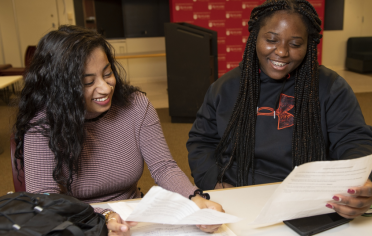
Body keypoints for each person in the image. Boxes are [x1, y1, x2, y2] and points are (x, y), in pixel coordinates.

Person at [13, 25, 223, 235]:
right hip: (74, 223)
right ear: (61, 88)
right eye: (88, 82)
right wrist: (101, 216)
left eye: (107, 73)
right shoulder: (42, 123)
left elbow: (164, 167)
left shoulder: (136, 106)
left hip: (132, 220)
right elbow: (45, 197)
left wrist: (194, 199)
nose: (105, 88)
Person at [187, 0, 372, 219]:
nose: (281, 51)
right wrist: (215, 183)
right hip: (238, 197)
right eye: (271, 39)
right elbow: (201, 142)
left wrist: (361, 182)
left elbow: (356, 140)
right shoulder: (225, 88)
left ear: (309, 44)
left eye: (296, 44)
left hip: (307, 203)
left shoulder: (330, 87)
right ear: (255, 37)